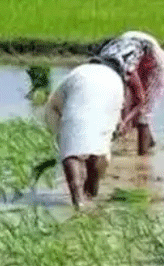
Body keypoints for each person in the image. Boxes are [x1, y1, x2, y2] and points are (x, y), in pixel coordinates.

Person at [41, 62, 125, 210]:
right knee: (98, 150)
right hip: (105, 112)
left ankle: (78, 200)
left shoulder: (76, 74)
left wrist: (63, 136)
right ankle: (92, 193)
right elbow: (118, 111)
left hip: (77, 109)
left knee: (71, 154)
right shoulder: (115, 79)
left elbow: (53, 105)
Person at [90, 31, 164, 156]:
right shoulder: (98, 67)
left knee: (144, 113)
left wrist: (125, 121)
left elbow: (140, 100)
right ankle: (149, 142)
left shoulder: (127, 69)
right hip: (135, 46)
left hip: (155, 59)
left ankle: (143, 158)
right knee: (130, 104)